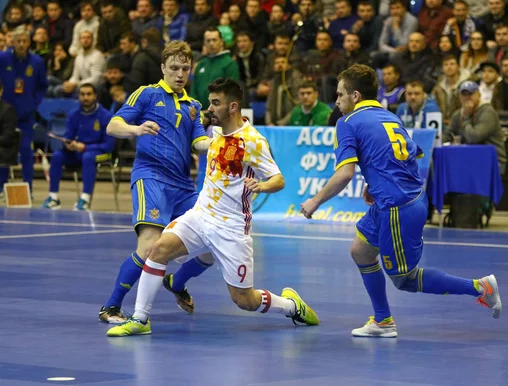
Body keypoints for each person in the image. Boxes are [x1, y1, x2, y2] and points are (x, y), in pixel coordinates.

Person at [299, 64, 501, 338]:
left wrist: (316, 200)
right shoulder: (389, 116)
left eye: (339, 95)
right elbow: (408, 156)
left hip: (397, 207)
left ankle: (480, 287)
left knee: (404, 279)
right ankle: (382, 320)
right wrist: (376, 185)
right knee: (360, 251)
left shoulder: (346, 123)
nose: (336, 101)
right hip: (398, 199)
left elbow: (345, 173)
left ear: (355, 96)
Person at [107, 78, 319, 337]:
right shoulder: (215, 134)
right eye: (210, 102)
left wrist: (261, 186)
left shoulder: (252, 141)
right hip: (201, 215)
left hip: (231, 226)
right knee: (158, 249)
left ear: (232, 107)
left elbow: (279, 178)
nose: (210, 108)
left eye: (215, 103)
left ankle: (290, 305)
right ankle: (140, 319)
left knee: (244, 300)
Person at [99, 41, 215, 323]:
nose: (179, 74)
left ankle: (176, 282)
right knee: (149, 245)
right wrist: (136, 129)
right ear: (163, 68)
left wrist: (223, 143)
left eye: (185, 68)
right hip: (151, 178)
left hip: (183, 186)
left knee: (217, 243)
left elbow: (199, 142)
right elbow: (113, 126)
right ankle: (111, 307)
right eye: (174, 68)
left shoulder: (193, 106)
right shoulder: (147, 95)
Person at [0, 26, 48, 200]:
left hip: (26, 115)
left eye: (24, 41)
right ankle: (1, 187)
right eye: (18, 41)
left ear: (29, 42)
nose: (21, 44)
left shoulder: (36, 62)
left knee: (26, 151)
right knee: (3, 151)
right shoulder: (3, 58)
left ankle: (28, 188)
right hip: (5, 114)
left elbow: (43, 86)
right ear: (12, 42)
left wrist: (34, 102)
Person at [41, 83, 115, 211]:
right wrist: (68, 144)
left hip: (99, 153)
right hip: (77, 152)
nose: (85, 97)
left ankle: (84, 199)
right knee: (58, 156)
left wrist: (86, 147)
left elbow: (108, 145)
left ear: (95, 96)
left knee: (88, 157)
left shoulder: (106, 116)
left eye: (89, 94)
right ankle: (53, 198)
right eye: (82, 94)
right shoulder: (73, 115)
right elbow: (68, 136)